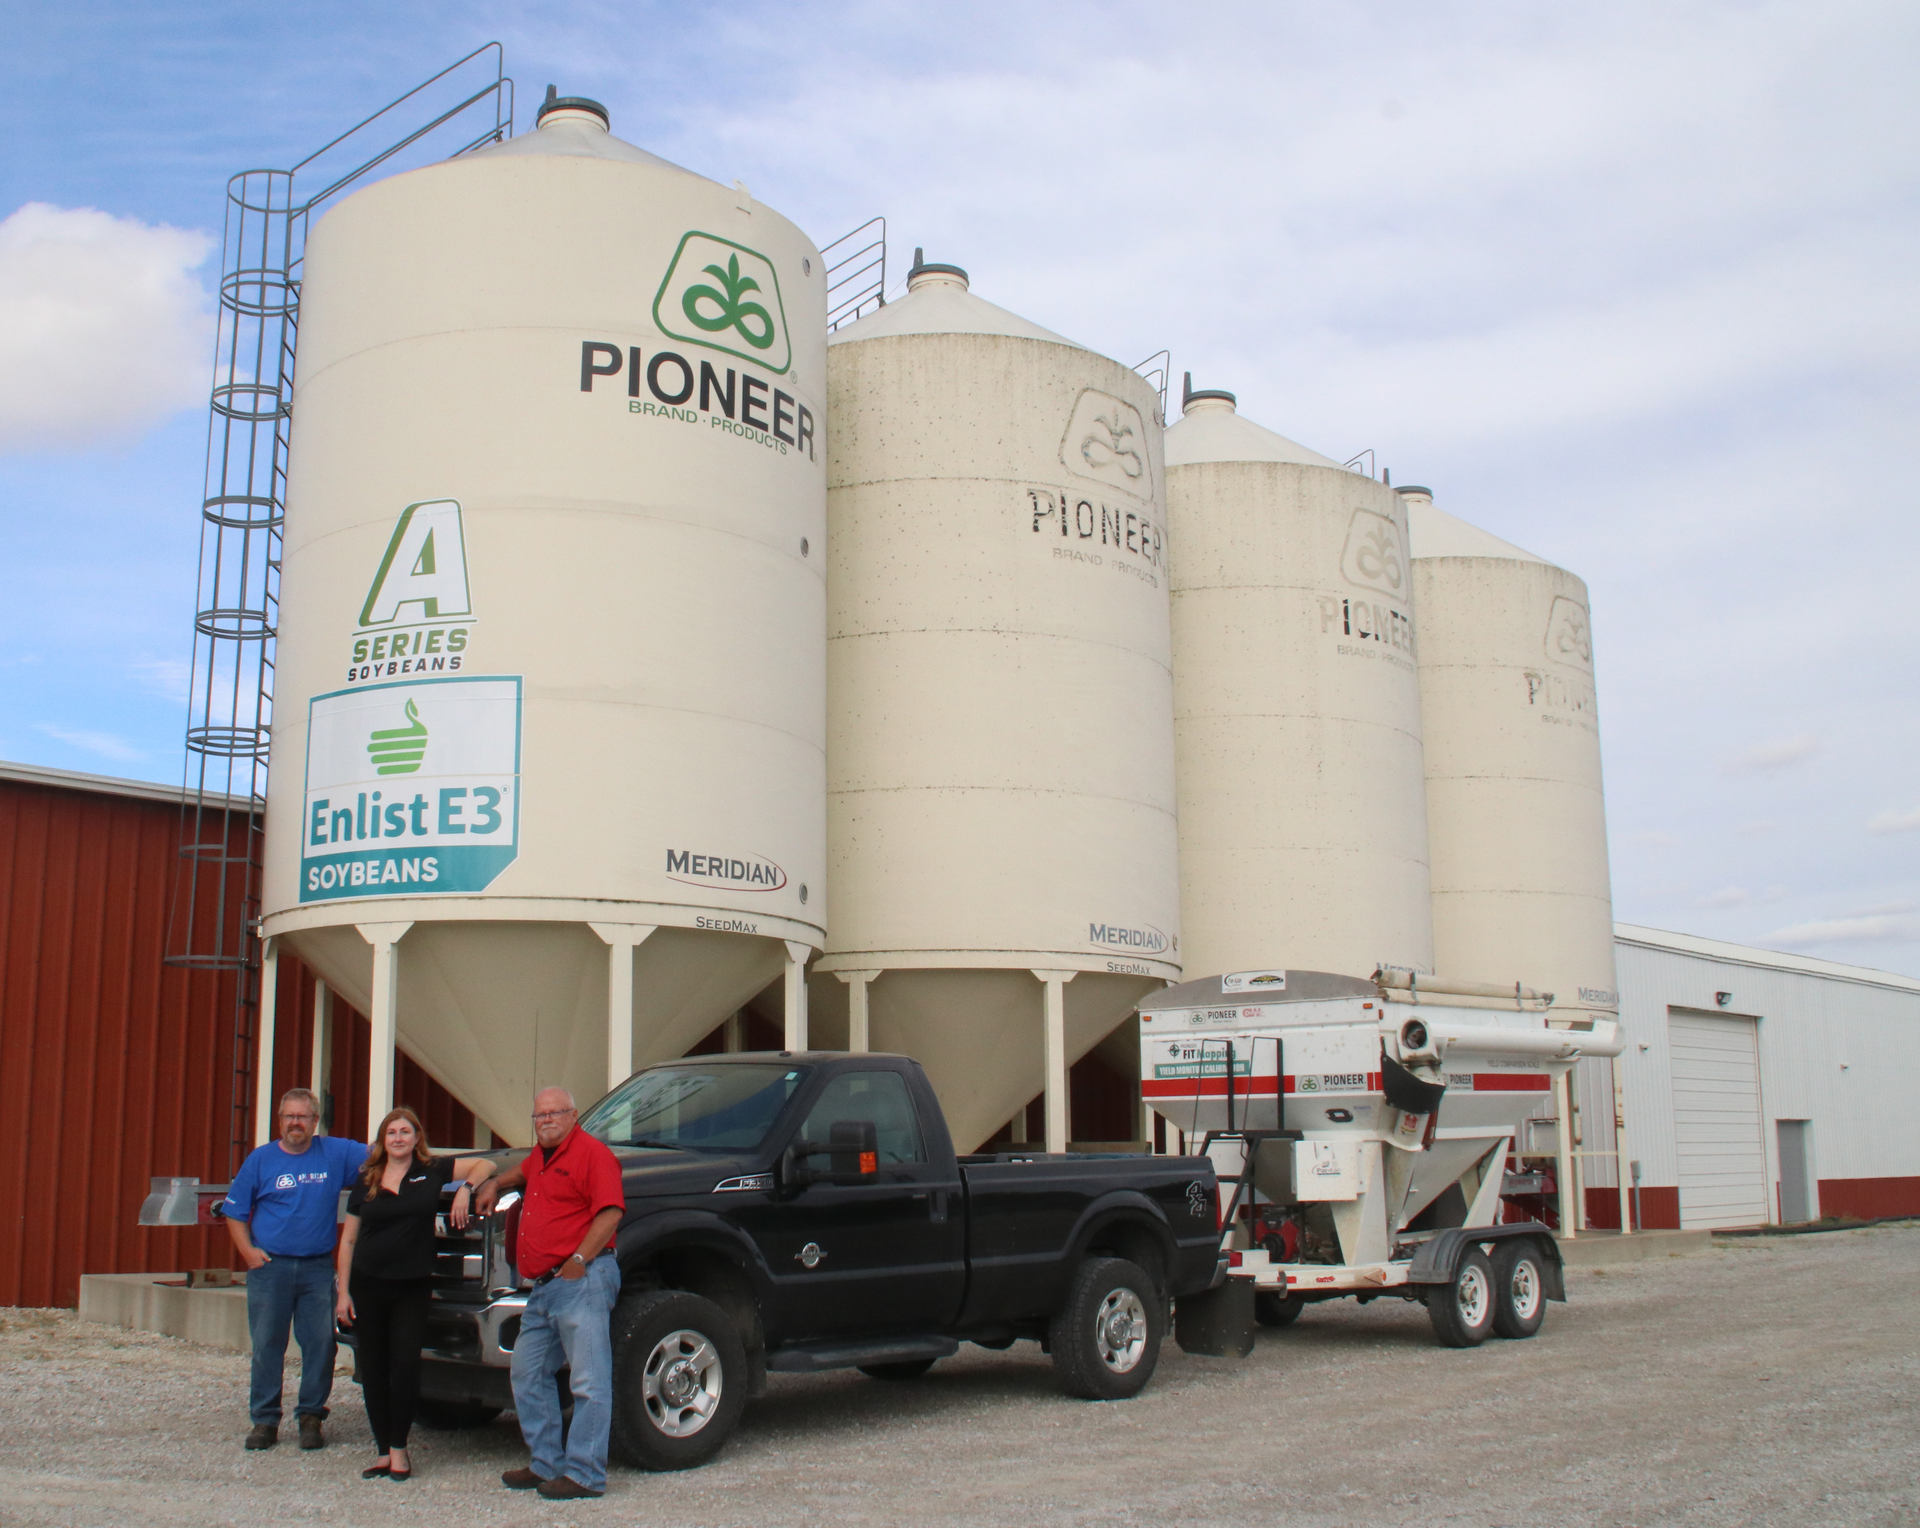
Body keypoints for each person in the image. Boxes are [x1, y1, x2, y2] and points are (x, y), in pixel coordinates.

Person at [476, 1087, 625, 1501]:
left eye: (554, 1114)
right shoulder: (542, 1156)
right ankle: (546, 1463)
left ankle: (586, 1474)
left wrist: (579, 1260)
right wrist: (494, 1182)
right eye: (539, 1115)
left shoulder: (593, 1154)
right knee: (526, 1372)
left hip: (583, 1279)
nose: (545, 1120)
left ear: (574, 1115)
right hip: (542, 1289)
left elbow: (611, 1210)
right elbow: (523, 1171)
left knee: (589, 1381)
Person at [335, 1107, 496, 1481]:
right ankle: (380, 1451)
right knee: (373, 1368)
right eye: (391, 1133)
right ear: (382, 1140)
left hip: (412, 1286)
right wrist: (343, 1293)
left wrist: (466, 1191)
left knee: (405, 1366)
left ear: (416, 1137)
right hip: (367, 1284)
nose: (398, 1138)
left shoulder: (433, 1171)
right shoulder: (368, 1179)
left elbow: (485, 1164)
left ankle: (399, 1448)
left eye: (405, 1131)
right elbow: (349, 1240)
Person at [223, 1088, 368, 1450]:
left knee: (321, 1344)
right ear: (280, 1120)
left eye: (303, 1117)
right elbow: (234, 1211)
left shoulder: (335, 1153)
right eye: (289, 1116)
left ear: (315, 1121)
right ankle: (265, 1421)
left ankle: (311, 1417)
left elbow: (385, 1157)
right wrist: (249, 1254)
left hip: (317, 1269)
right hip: (270, 1269)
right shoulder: (261, 1160)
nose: (296, 1123)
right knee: (267, 1345)